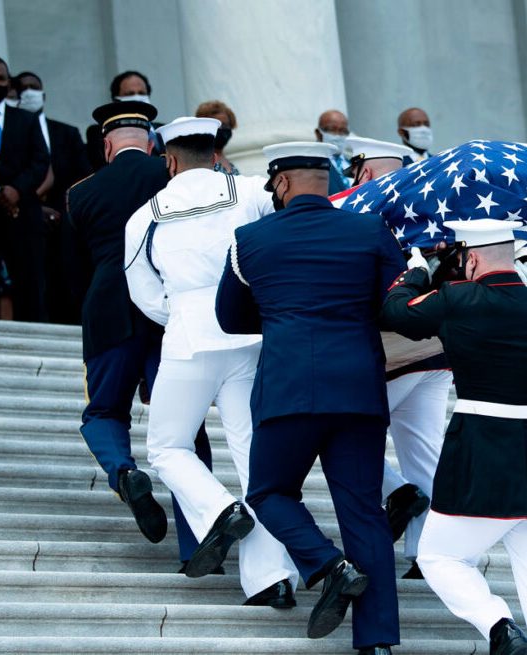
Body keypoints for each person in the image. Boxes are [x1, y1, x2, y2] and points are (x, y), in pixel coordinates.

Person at [216, 141, 403, 653]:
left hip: (288, 386)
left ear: (280, 182)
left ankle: (328, 565)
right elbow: (394, 307)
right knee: (363, 511)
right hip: (358, 387)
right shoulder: (371, 231)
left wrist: (283, 316)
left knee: (268, 493)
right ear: (327, 180)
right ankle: (377, 643)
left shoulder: (250, 239)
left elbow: (229, 318)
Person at [125, 117, 298, 607]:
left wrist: (184, 310)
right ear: (216, 154)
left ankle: (220, 509)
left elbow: (143, 293)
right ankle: (272, 579)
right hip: (251, 334)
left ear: (169, 160)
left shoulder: (145, 215)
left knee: (167, 447)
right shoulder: (251, 191)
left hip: (188, 337)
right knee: (254, 459)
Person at [66, 102, 212, 563]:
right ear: (152, 144)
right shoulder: (170, 175)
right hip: (168, 310)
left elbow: (75, 264)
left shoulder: (81, 192)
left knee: (104, 411)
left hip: (108, 310)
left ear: (107, 146)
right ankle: (198, 543)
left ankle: (124, 472)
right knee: (185, 428)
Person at [382, 219, 527, 655]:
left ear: (472, 258)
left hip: (482, 445)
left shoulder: (457, 298)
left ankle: (500, 628)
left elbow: (395, 312)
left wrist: (416, 272)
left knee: (438, 556)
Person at [337, 136, 453, 578]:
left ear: (364, 171)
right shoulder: (436, 205)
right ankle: (427, 552)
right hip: (437, 348)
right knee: (423, 450)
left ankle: (398, 492)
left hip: (392, 348)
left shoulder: (362, 210)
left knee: (337, 431)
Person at [0, 55, 50, 322]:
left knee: (29, 278)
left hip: (23, 210)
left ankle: (36, 332)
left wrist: (17, 189)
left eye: (0, 78)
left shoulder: (25, 119)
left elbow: (40, 160)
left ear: (8, 84)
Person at [15, 71, 92, 324]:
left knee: (66, 274)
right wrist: (34, 206)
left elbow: (83, 176)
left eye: (34, 86)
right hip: (21, 214)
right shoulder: (9, 131)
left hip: (64, 217)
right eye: (23, 87)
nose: (29, 91)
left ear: (44, 94)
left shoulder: (66, 133)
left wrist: (64, 207)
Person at [86, 70, 153, 171]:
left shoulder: (162, 130)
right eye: (130, 94)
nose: (137, 97)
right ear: (116, 98)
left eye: (141, 93)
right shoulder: (100, 132)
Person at [195, 100, 239, 175]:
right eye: (218, 126)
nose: (223, 129)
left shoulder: (229, 162)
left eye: (226, 125)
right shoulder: (199, 162)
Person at [315, 109, 351, 187]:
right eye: (332, 130)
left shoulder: (355, 165)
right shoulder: (312, 165)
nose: (338, 135)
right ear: (318, 134)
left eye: (343, 131)